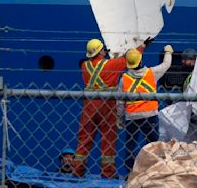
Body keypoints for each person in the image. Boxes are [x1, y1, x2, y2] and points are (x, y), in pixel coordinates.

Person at [73, 38, 151, 179]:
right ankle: (108, 172)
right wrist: (143, 46)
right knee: (108, 138)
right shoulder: (111, 64)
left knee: (84, 138)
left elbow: (93, 65)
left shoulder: (85, 66)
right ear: (100, 51)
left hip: (89, 105)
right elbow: (128, 58)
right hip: (106, 105)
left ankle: (77, 170)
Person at [117, 44, 173, 174]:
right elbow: (166, 64)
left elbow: (119, 102)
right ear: (140, 60)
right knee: (153, 144)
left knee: (130, 145)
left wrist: (119, 119)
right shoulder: (151, 73)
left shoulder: (124, 79)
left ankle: (130, 173)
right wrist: (168, 51)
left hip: (132, 117)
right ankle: (155, 170)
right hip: (150, 116)